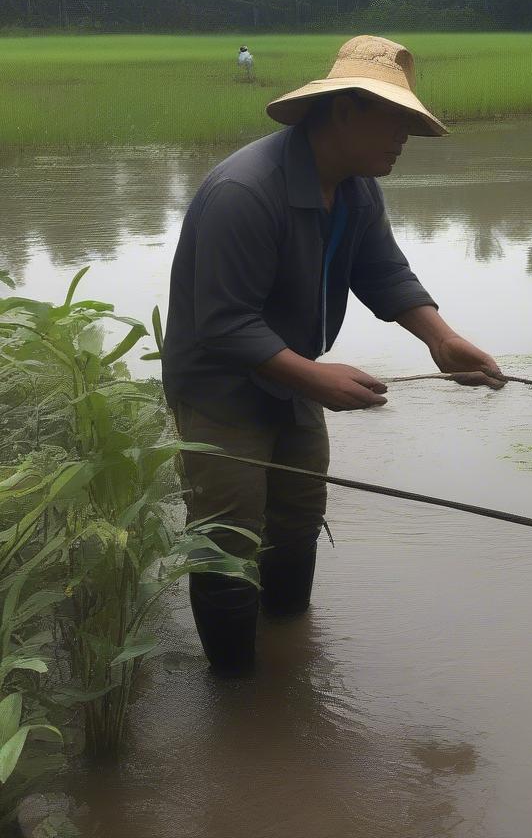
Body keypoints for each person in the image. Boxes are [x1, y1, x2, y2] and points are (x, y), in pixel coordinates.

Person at [162, 35, 505, 676]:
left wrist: (441, 339)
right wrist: (315, 377)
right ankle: (235, 696)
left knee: (296, 520)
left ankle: (290, 657)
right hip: (220, 388)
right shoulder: (245, 191)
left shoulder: (352, 188)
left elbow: (382, 272)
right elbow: (222, 324)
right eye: (395, 120)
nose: (403, 137)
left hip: (294, 376)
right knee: (228, 539)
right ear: (345, 110)